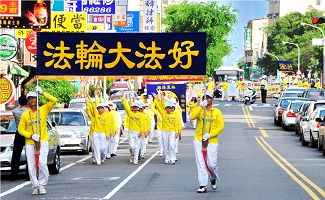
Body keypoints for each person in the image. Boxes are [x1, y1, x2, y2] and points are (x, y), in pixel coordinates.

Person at [18, 86, 57, 195]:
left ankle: (42, 184)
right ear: (27, 101)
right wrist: (30, 135)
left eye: (34, 98)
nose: (32, 100)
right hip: (30, 142)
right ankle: (35, 185)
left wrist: (43, 93)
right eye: (29, 98)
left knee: (42, 163)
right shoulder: (25, 114)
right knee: (31, 166)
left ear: (37, 99)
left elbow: (54, 100)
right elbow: (20, 129)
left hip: (43, 141)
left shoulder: (43, 109)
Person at [190, 92, 224, 193]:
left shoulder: (217, 112)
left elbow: (221, 126)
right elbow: (192, 117)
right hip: (199, 139)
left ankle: (212, 177)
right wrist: (200, 106)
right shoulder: (200, 110)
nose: (207, 100)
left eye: (209, 98)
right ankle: (203, 185)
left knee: (211, 164)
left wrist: (210, 134)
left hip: (212, 140)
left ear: (212, 100)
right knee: (201, 163)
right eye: (205, 98)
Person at [154, 93, 182, 165]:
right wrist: (156, 98)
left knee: (171, 145)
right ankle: (167, 158)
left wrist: (177, 132)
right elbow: (158, 105)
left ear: (172, 108)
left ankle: (172, 158)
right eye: (167, 107)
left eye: (170, 107)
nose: (168, 109)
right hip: (164, 131)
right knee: (165, 145)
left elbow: (178, 124)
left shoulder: (176, 114)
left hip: (172, 132)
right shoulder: (163, 113)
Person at [10, 96, 28, 180]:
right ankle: (29, 175)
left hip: (19, 134)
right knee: (30, 154)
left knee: (16, 155)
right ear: (27, 102)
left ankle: (13, 175)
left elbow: (16, 108)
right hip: (28, 134)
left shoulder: (15, 111)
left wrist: (20, 105)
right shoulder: (29, 111)